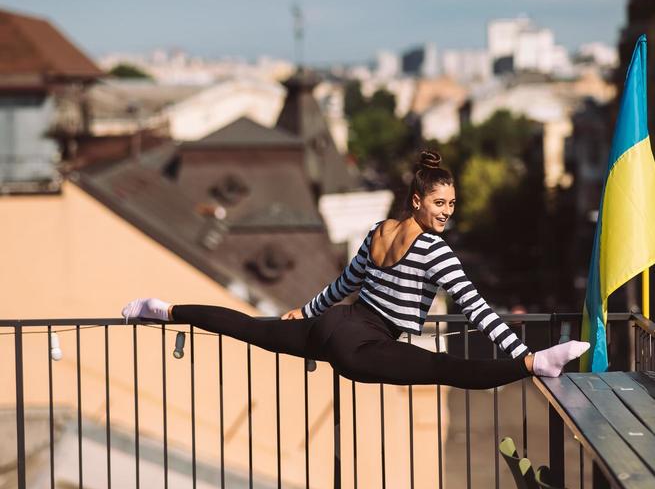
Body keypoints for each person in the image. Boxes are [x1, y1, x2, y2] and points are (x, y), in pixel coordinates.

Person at [121, 151, 589, 387]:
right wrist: (520, 348)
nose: (447, 212)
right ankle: (536, 364)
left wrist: (303, 312)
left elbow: (343, 286)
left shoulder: (378, 229)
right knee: (450, 369)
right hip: (360, 345)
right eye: (440, 203)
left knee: (248, 327)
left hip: (331, 324)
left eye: (452, 204)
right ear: (418, 200)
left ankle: (162, 309)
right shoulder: (435, 251)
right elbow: (478, 311)